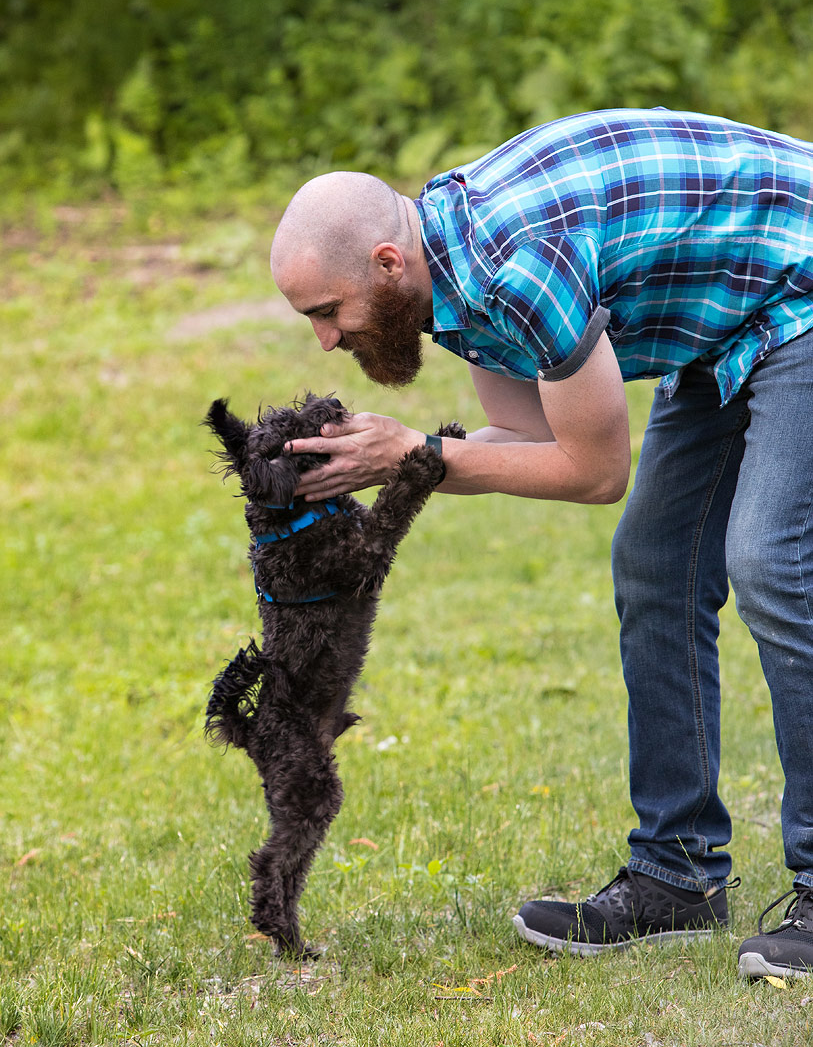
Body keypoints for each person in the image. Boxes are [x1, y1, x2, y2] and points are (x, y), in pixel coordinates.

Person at [269, 107, 813, 980]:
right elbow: (525, 437)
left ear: (385, 263)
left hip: (798, 284)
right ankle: (678, 877)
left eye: (327, 312)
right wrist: (397, 465)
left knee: (770, 563)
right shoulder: (443, 283)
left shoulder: (515, 269)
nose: (325, 339)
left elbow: (596, 472)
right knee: (653, 568)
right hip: (726, 324)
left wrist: (415, 452)